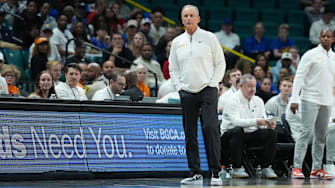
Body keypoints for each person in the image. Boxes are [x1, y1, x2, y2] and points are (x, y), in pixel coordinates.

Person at [169, 5, 226, 185]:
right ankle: (195, 172)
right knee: (190, 133)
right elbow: (173, 67)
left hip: (208, 89)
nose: (188, 18)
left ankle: (216, 172)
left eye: (191, 15)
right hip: (187, 92)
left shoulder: (209, 38)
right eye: (185, 16)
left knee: (210, 128)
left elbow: (220, 63)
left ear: (198, 18)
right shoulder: (177, 42)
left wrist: (213, 83)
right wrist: (180, 87)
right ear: (182, 19)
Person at [290, 29, 335, 179]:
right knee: (305, 132)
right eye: (323, 36)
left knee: (321, 136)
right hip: (310, 98)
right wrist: (294, 98)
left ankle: (316, 169)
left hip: (327, 101)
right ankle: (296, 167)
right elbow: (299, 77)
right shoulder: (310, 55)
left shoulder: (334, 57)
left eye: (328, 37)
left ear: (333, 39)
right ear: (319, 38)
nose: (325, 39)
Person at [220, 74, 278, 179]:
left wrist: (268, 125)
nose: (252, 89)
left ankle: (266, 167)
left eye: (254, 86)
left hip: (250, 134)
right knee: (237, 131)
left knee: (271, 134)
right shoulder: (233, 100)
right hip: (230, 136)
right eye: (249, 86)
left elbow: (262, 122)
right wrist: (257, 121)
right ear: (241, 86)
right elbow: (236, 121)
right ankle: (237, 168)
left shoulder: (258, 101)